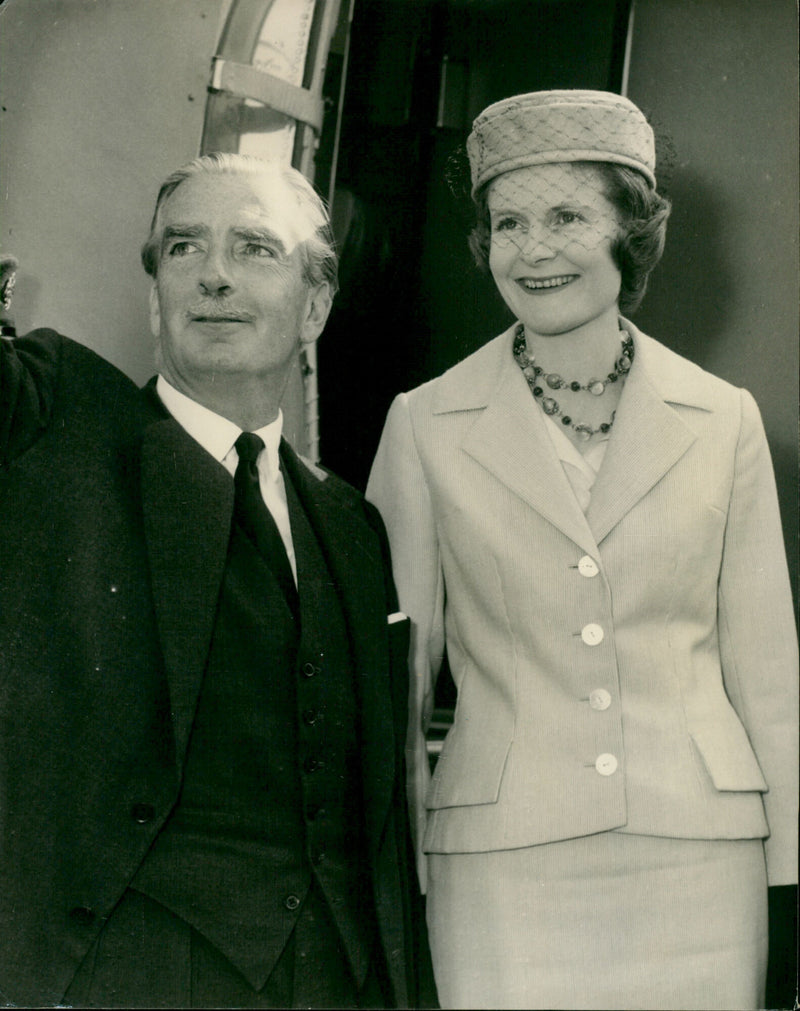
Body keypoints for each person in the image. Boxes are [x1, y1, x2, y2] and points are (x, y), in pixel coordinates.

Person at [366, 90, 798, 1010]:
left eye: (568, 215)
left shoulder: (724, 420)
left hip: (703, 861)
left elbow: (770, 679)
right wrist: (395, 884)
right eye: (508, 222)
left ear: (631, 233)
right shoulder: (426, 424)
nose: (534, 248)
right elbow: (394, 686)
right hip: (500, 868)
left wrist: (792, 881)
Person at [0, 153, 432, 1009]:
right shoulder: (56, 430)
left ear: (316, 305)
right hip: (132, 974)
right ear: (152, 295)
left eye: (254, 249)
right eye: (184, 250)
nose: (214, 277)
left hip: (338, 977)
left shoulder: (351, 524)